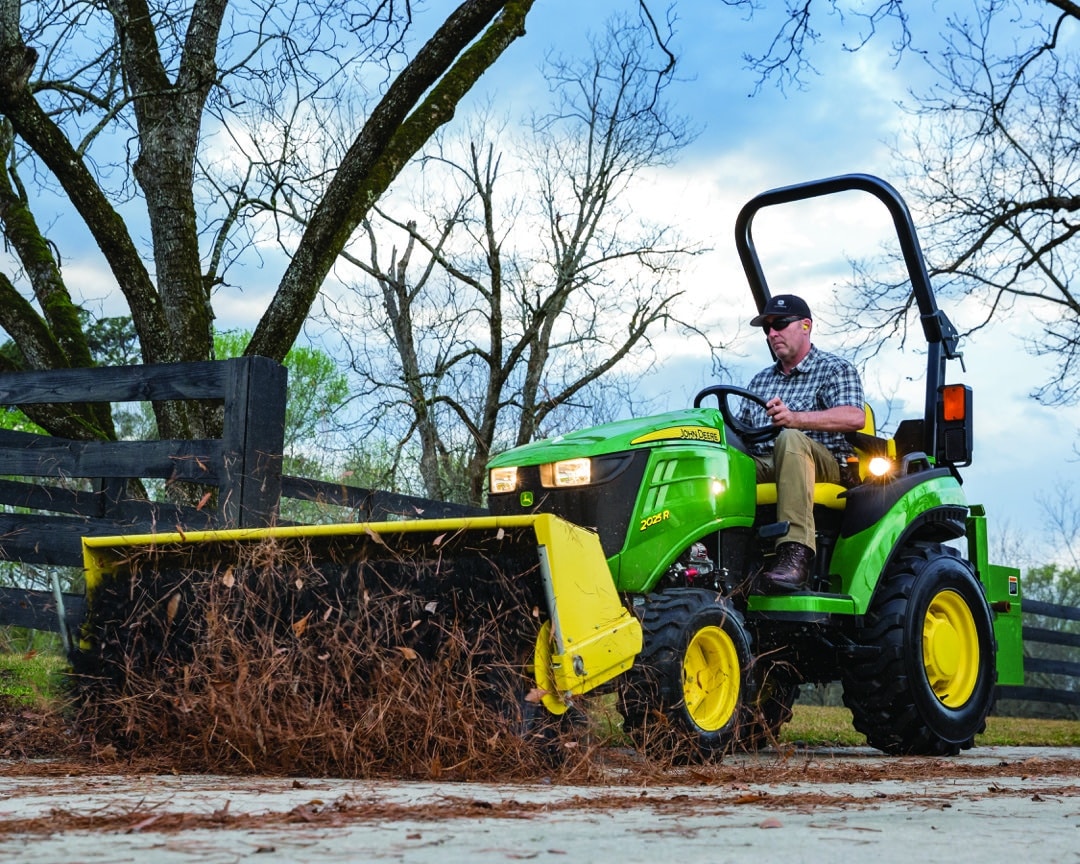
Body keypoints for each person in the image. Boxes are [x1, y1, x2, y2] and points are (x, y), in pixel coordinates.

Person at [740, 294, 865, 593]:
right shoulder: (759, 381)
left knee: (790, 439)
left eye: (780, 324)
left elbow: (854, 417)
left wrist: (795, 418)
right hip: (768, 460)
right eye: (767, 328)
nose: (772, 333)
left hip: (823, 463)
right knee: (720, 461)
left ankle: (795, 552)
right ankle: (712, 555)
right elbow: (741, 430)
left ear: (806, 326)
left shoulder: (834, 369)